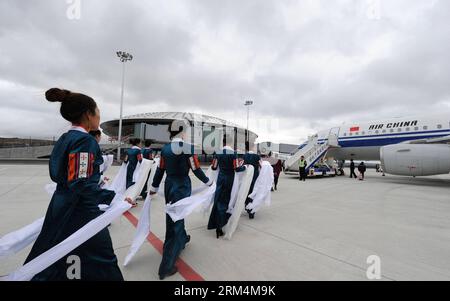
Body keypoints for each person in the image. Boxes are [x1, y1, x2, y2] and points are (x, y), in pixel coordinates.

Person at [24, 88, 134, 281]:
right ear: (88, 115)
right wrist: (114, 198)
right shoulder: (84, 141)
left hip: (61, 204)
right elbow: (80, 183)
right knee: (103, 260)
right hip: (80, 210)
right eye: (97, 112)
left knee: (53, 255)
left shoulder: (66, 138)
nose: (99, 116)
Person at [149, 126, 213, 280]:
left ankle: (182, 239)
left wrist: (154, 187)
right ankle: (166, 266)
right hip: (182, 185)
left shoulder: (165, 149)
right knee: (177, 219)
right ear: (182, 133)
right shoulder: (188, 148)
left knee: (174, 216)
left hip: (169, 184)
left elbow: (160, 170)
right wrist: (208, 181)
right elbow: (196, 168)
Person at [207, 134, 246, 238]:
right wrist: (245, 168)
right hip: (230, 179)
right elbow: (237, 168)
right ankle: (221, 225)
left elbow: (214, 167)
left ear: (223, 142)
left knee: (218, 200)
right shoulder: (233, 153)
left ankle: (216, 225)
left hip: (220, 179)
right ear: (231, 143)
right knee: (226, 201)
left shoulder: (218, 152)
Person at [243, 141, 261, 219]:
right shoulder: (257, 156)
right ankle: (251, 211)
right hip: (255, 178)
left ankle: (247, 206)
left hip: (247, 177)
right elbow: (262, 166)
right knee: (253, 192)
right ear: (253, 147)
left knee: (247, 191)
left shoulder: (244, 156)